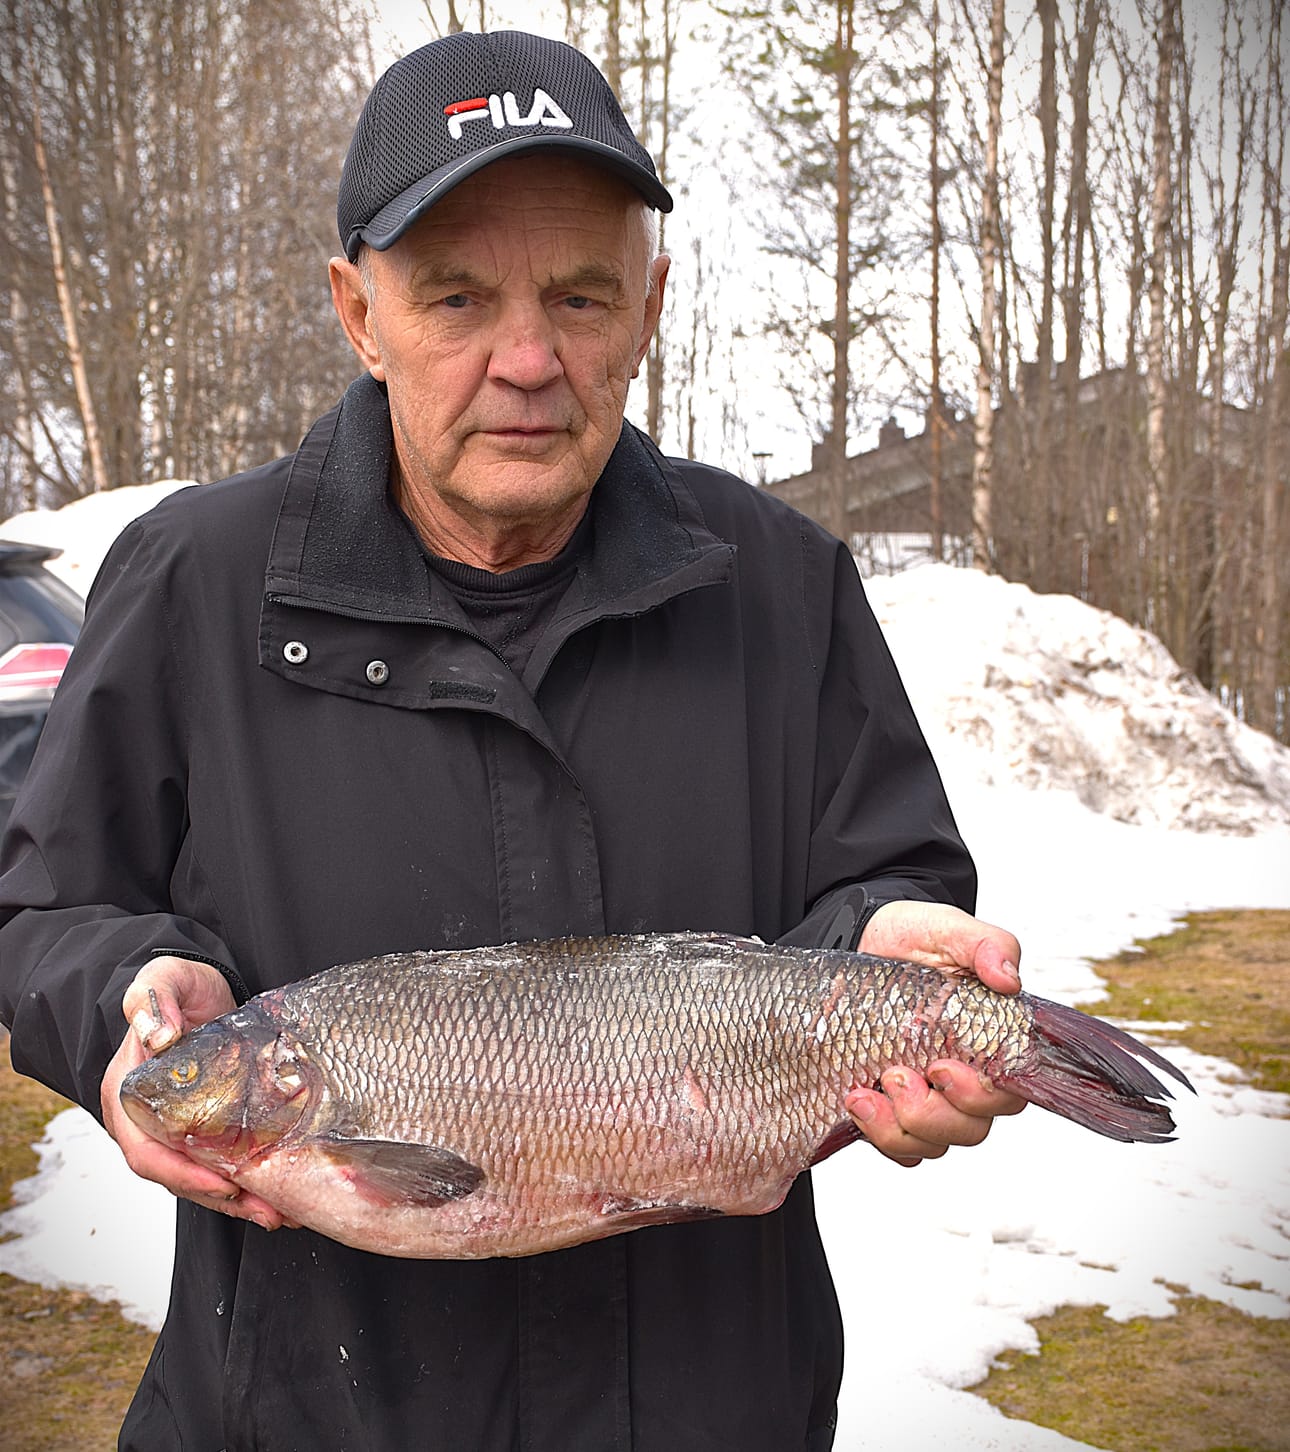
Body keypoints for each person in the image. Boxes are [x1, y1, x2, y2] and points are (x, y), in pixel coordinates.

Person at [0, 29, 1025, 1451]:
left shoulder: (780, 580)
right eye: (456, 297)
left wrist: (897, 947)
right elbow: (47, 909)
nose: (528, 360)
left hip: (709, 1403)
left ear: (650, 307)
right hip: (297, 1411)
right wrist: (123, 995)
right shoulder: (194, 579)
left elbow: (879, 880)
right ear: (359, 312)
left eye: (581, 295)